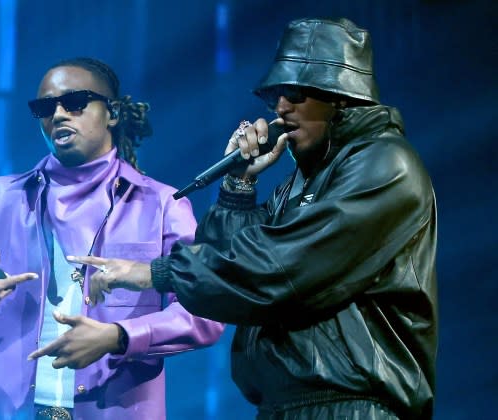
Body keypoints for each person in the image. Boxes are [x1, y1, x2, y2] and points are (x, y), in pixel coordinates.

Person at [76, 18, 438, 419]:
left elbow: (279, 270)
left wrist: (155, 273)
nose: (282, 108)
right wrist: (238, 187)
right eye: (276, 97)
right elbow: (230, 284)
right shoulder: (301, 182)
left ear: (340, 97)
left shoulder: (384, 164)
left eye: (296, 94)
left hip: (351, 407)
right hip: (285, 405)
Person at [0, 57, 224, 419]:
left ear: (111, 113)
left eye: (75, 102)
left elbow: (207, 311)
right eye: (45, 107)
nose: (58, 114)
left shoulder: (161, 205)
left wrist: (120, 336)